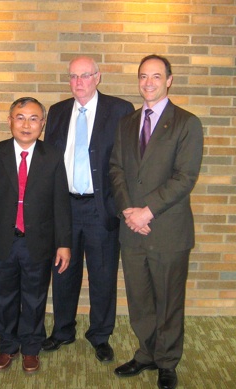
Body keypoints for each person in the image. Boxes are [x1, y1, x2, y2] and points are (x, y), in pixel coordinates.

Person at [109, 54, 203, 389]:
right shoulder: (127, 123)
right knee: (140, 299)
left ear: (169, 80)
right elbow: (116, 171)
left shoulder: (186, 123)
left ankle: (167, 362)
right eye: (143, 76)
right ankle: (146, 354)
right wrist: (127, 212)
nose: (148, 82)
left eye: (156, 76)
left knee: (168, 301)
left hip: (167, 230)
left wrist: (147, 211)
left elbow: (185, 177)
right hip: (132, 230)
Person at [42, 56, 134, 362]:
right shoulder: (56, 112)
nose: (78, 82)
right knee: (63, 272)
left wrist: (120, 206)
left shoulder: (120, 110)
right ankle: (63, 330)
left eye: (84, 76)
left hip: (100, 208)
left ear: (98, 77)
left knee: (103, 274)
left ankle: (100, 335)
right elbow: (49, 162)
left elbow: (127, 163)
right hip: (64, 207)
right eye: (72, 77)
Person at [0, 97, 72, 373]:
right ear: (9, 120)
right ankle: (7, 345)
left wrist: (64, 244)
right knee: (4, 295)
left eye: (34, 118)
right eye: (20, 117)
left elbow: (61, 202)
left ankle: (32, 346)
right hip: (3, 238)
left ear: (43, 124)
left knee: (35, 296)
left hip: (38, 240)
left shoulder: (53, 156)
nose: (26, 124)